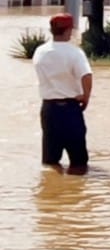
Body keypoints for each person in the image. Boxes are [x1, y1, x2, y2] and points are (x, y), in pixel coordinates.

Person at [32, 13, 93, 175]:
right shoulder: (75, 53)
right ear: (69, 30)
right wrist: (86, 97)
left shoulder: (40, 52)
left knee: (50, 162)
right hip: (70, 109)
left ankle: (51, 192)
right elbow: (86, 76)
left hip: (48, 109)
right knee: (79, 162)